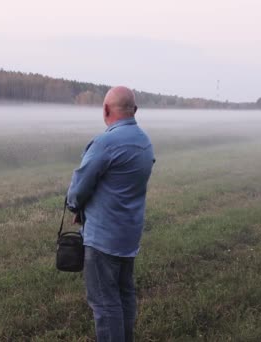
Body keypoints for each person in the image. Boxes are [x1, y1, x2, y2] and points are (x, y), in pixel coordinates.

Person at [67, 86, 154, 342]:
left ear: (105, 110)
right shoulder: (144, 141)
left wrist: (76, 207)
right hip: (128, 236)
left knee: (105, 305)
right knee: (124, 295)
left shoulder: (105, 143)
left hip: (103, 239)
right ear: (134, 110)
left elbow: (78, 188)